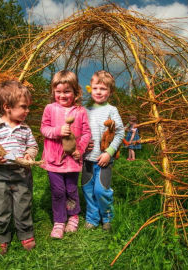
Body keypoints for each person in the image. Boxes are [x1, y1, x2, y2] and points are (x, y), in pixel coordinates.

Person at [0, 80, 37, 254]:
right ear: (7, 107)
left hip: (21, 173)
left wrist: (29, 155)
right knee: (0, 207)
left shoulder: (25, 129)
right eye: (23, 107)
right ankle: (2, 237)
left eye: (28, 107)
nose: (27, 111)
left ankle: (25, 233)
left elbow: (33, 146)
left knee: (23, 205)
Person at [40, 70, 91, 239]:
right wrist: (57, 131)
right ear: (53, 91)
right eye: (58, 91)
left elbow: (86, 133)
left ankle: (73, 215)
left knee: (71, 189)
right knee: (58, 191)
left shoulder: (80, 111)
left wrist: (80, 149)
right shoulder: (50, 109)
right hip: (53, 160)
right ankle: (59, 221)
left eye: (67, 91)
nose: (62, 95)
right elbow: (44, 129)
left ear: (75, 92)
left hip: (72, 160)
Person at [82, 70, 124, 231]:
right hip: (87, 160)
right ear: (90, 89)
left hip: (104, 160)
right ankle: (92, 218)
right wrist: (82, 145)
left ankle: (106, 216)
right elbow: (80, 132)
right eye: (95, 88)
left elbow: (120, 132)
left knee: (101, 190)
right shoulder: (85, 110)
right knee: (87, 189)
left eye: (103, 89)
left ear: (110, 92)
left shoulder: (111, 110)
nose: (99, 92)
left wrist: (109, 152)